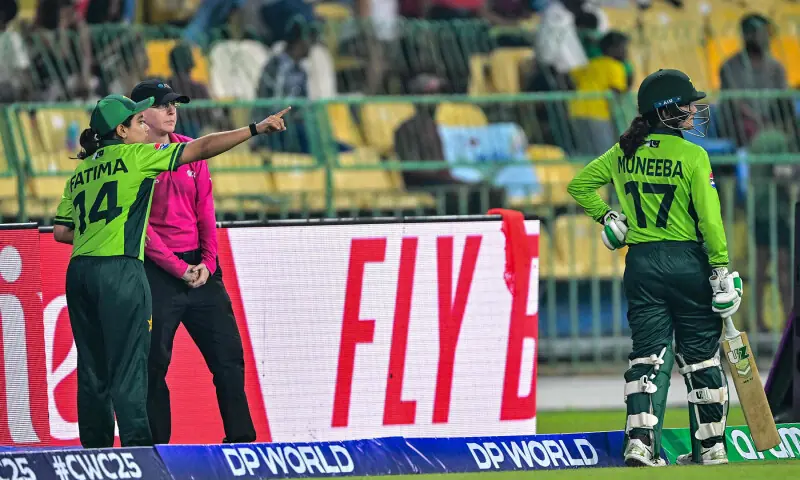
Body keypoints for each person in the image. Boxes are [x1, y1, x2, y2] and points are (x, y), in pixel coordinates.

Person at [52, 93, 289, 448]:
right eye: (138, 122)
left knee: (91, 370)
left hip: (80, 272)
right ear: (122, 130)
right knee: (132, 367)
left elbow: (61, 232)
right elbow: (202, 148)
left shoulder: (81, 170)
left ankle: (95, 455)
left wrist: (103, 234)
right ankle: (141, 454)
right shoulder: (137, 156)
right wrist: (254, 129)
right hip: (120, 269)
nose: (144, 125)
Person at [566, 69, 743, 467]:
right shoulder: (693, 155)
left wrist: (608, 216)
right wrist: (719, 268)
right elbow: (710, 222)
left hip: (642, 265)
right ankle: (711, 448)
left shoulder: (622, 151)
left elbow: (578, 186)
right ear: (666, 112)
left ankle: (641, 445)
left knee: (648, 356)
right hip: (687, 263)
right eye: (686, 105)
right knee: (700, 355)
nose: (693, 111)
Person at [129, 79, 256, 444]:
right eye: (163, 105)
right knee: (153, 367)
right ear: (140, 115)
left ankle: (242, 445)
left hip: (200, 273)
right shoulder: (134, 160)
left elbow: (206, 212)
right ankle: (155, 451)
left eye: (175, 104)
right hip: (158, 275)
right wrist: (179, 268)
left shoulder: (189, 151)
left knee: (229, 361)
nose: (172, 111)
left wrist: (208, 263)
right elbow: (143, 230)